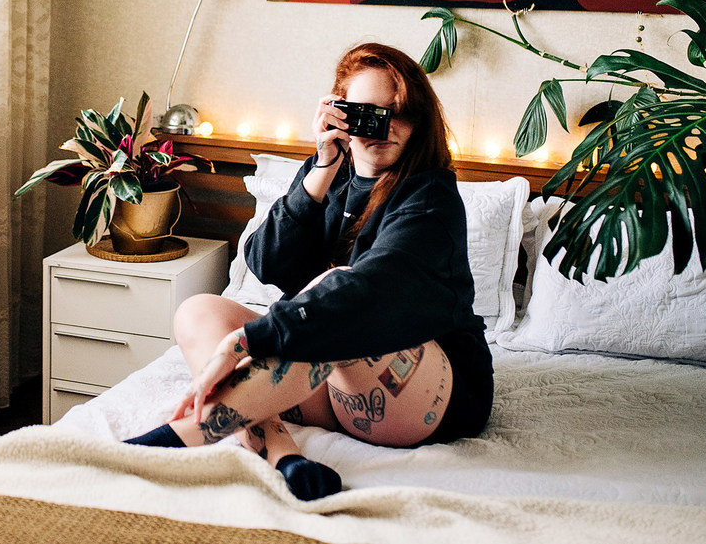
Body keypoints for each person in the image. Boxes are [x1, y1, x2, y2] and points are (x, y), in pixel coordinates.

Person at [124, 42, 493, 502]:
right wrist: (321, 169)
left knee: (333, 292)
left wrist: (242, 343)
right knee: (198, 311)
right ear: (339, 115)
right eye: (367, 114)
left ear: (421, 122)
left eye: (400, 113)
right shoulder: (327, 172)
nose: (384, 127)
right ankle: (284, 455)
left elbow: (367, 292)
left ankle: (177, 439)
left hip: (415, 395)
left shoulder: (431, 196)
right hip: (321, 385)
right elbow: (264, 261)